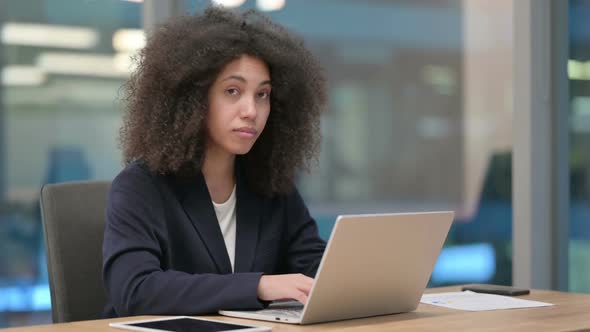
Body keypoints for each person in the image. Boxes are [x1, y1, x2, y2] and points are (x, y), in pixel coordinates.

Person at [102, 6, 327, 317]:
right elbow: (135, 289)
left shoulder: (272, 184)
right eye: (232, 91)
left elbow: (315, 266)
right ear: (192, 100)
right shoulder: (140, 186)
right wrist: (259, 286)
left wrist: (360, 274)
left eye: (262, 94)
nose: (251, 110)